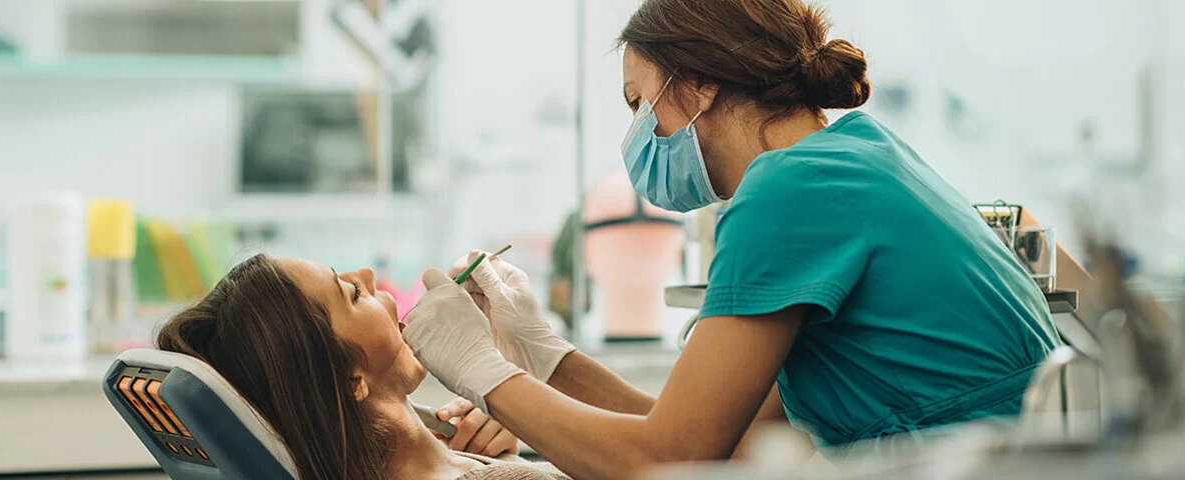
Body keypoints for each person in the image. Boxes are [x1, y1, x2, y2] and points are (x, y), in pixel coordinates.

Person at [402, 0, 1061, 478]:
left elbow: (668, 460)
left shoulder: (789, 191)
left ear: (700, 85)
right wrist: (546, 359)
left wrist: (487, 373)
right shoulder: (856, 155)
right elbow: (718, 437)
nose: (635, 135)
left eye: (639, 104)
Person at [156, 254, 566, 480]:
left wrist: (509, 451)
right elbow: (632, 464)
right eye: (351, 293)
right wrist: (518, 382)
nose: (368, 275)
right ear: (353, 379)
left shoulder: (453, 455)